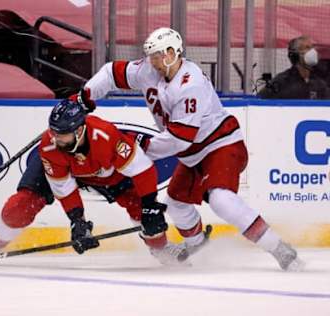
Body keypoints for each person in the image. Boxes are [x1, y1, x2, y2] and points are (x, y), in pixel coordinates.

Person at [72, 27, 303, 271]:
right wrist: (86, 96)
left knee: (221, 199)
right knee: (174, 204)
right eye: (150, 56)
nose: (152, 62)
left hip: (220, 144)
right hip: (192, 155)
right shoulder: (150, 70)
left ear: (172, 53)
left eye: (157, 56)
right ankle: (199, 245)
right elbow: (110, 73)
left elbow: (179, 140)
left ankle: (279, 248)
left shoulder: (190, 84)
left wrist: (141, 144)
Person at [0, 99, 189, 264]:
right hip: (68, 170)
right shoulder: (50, 146)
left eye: (62, 134)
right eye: (53, 132)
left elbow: (142, 170)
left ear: (80, 129)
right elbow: (62, 187)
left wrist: (150, 206)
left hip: (105, 172)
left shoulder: (106, 137)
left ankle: (160, 248)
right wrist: (77, 221)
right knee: (19, 206)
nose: (55, 138)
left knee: (143, 212)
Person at [258, 35, 330, 99]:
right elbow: (260, 100)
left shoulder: (320, 83)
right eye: (307, 48)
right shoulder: (281, 81)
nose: (312, 51)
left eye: (312, 47)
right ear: (295, 55)